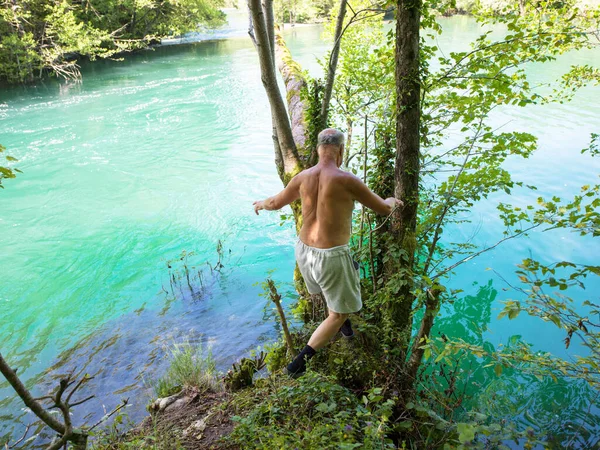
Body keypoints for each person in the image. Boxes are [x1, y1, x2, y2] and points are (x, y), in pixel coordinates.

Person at [253, 128, 403, 378]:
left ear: (318, 150)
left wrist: (260, 203)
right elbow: (383, 209)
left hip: (304, 251)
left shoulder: (303, 177)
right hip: (331, 256)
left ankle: (344, 329)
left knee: (327, 290)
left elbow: (276, 202)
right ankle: (297, 365)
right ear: (341, 151)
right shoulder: (347, 180)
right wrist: (392, 200)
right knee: (338, 311)